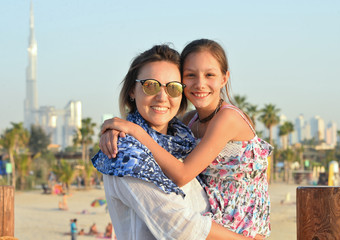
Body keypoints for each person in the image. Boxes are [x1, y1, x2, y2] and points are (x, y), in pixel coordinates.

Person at [100, 39, 272, 239]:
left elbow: (181, 173)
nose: (162, 97)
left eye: (172, 87)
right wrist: (120, 132)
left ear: (224, 78)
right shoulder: (134, 150)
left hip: (240, 225)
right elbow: (181, 225)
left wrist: (134, 131)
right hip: (221, 227)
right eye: (150, 85)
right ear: (132, 90)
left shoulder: (207, 124)